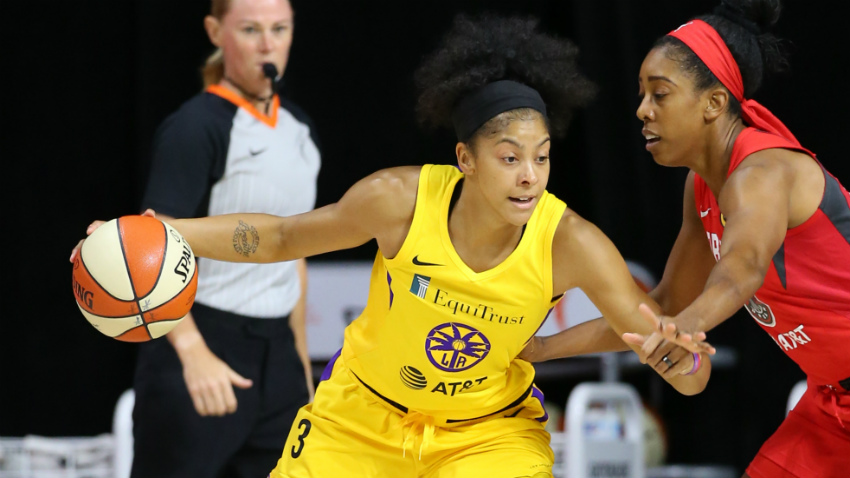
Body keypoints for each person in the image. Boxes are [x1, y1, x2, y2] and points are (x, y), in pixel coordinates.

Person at [72, 13, 710, 478]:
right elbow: (281, 236)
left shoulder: (571, 241)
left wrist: (682, 363)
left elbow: (666, 354)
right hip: (361, 418)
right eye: (510, 157)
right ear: (465, 159)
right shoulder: (398, 201)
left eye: (541, 158)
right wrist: (163, 229)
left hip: (485, 436)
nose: (530, 177)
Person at [614, 0, 850, 477]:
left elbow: (741, 270)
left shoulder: (761, 173)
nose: (642, 110)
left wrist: (685, 328)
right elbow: (663, 306)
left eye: (660, 94)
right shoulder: (701, 187)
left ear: (714, 102)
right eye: (642, 94)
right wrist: (535, 346)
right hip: (833, 400)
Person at [128, 0, 319, 477]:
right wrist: (193, 353)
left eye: (280, 29)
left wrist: (299, 363)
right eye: (250, 29)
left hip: (278, 359)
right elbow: (148, 248)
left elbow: (294, 252)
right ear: (216, 32)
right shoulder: (196, 127)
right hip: (201, 340)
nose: (268, 44)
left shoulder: (300, 129)